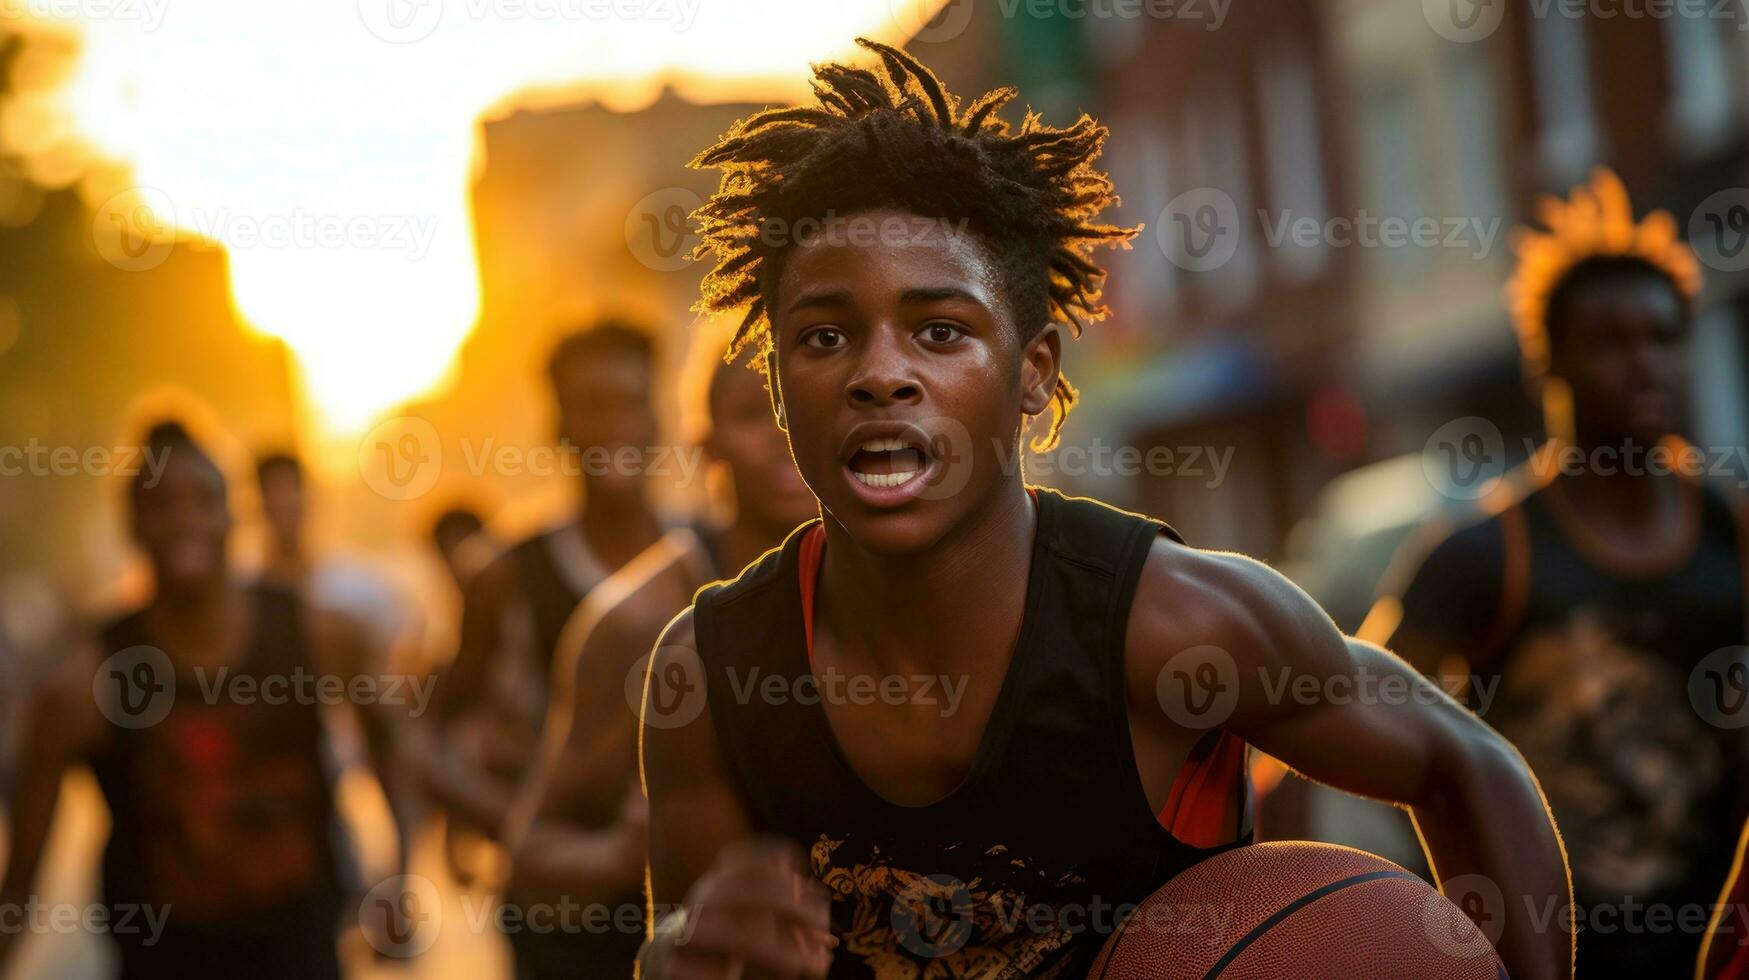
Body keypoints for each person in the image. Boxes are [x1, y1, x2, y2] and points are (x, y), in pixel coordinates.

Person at [635, 39, 1573, 980]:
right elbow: (687, 948)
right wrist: (675, 956)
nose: (881, 374)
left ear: (1032, 371)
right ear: (776, 377)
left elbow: (1466, 766)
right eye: (825, 335)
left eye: (939, 331)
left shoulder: (1179, 624)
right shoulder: (710, 679)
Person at [1377, 169, 1748, 980]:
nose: (1643, 362)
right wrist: (1451, 904)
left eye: (1660, 337)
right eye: (1611, 341)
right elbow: (1350, 716)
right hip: (1556, 957)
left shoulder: (1733, 530)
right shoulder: (1484, 555)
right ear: (1550, 362)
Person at [0, 420, 420, 978]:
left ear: (233, 513)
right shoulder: (85, 684)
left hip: (303, 956)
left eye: (202, 499)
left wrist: (400, 877)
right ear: (132, 525)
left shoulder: (316, 633)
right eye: (161, 504)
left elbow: (396, 748)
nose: (183, 521)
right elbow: (23, 877)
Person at [500, 318, 818, 976]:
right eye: (756, 413)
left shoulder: (902, 585)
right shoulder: (643, 621)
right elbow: (529, 853)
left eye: (807, 403)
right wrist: (627, 854)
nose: (786, 436)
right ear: (707, 447)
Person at [425, 319, 671, 978]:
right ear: (558, 427)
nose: (613, 426)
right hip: (557, 905)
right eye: (592, 406)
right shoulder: (507, 572)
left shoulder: (707, 558)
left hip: (682, 886)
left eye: (630, 402)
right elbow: (432, 725)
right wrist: (511, 822)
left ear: (658, 418)